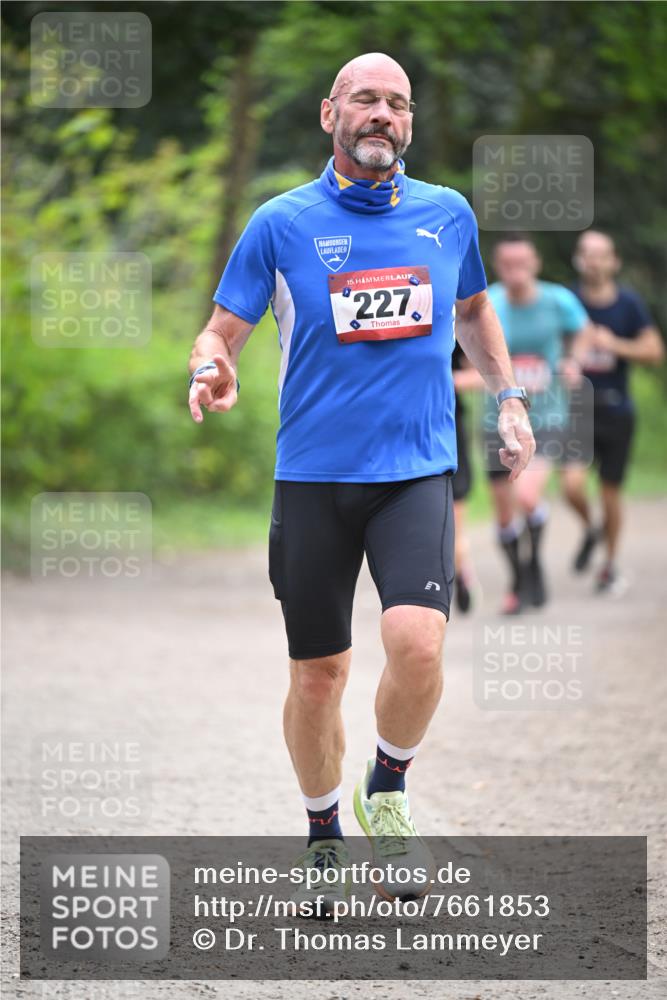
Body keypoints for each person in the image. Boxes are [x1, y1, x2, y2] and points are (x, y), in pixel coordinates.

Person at [187, 52, 535, 917]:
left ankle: (387, 785)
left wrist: (510, 399)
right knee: (318, 676)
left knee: (418, 642)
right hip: (311, 478)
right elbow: (221, 330)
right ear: (329, 113)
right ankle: (322, 834)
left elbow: (473, 310)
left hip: (414, 470)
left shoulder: (445, 215)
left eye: (398, 104)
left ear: (409, 123)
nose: (383, 115)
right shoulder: (280, 222)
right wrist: (209, 366)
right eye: (366, 101)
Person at [484, 234, 591, 614]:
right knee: (503, 512)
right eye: (508, 264)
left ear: (535, 264)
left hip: (545, 417)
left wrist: (573, 360)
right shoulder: (489, 302)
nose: (516, 272)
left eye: (523, 263)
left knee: (527, 497)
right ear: (498, 267)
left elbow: (584, 330)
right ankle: (518, 579)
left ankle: (535, 567)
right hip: (494, 419)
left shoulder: (557, 300)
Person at [562, 230, 664, 593]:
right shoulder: (567, 300)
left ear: (614, 261)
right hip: (576, 408)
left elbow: (654, 350)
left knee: (610, 492)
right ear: (578, 259)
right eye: (587, 254)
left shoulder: (629, 303)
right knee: (571, 486)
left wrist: (612, 344)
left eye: (601, 254)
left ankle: (609, 564)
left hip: (616, 409)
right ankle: (592, 529)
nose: (594, 261)